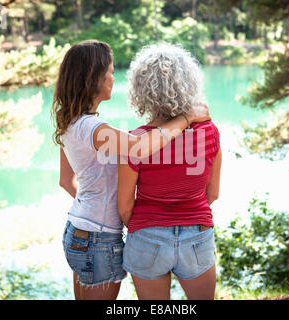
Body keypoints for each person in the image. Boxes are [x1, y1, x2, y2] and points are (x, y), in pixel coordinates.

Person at [52, 40, 211, 300]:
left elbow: (65, 182)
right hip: (98, 238)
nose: (114, 78)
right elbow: (137, 147)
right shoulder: (93, 129)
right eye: (111, 72)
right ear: (95, 79)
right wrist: (186, 119)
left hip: (79, 230)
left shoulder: (71, 121)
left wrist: (94, 205)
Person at [117, 43, 222, 300]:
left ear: (141, 90)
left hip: (147, 236)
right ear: (189, 83)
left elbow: (124, 208)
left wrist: (149, 226)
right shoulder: (209, 132)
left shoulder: (135, 142)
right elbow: (213, 193)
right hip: (196, 234)